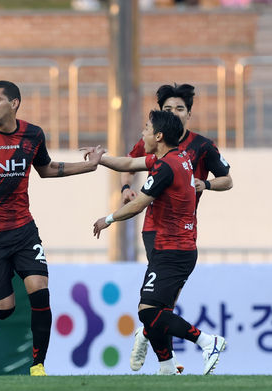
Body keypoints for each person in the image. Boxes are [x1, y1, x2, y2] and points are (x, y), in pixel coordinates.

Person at [0, 81, 105, 376]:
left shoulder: (33, 134)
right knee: (6, 309)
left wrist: (88, 166)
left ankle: (38, 365)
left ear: (14, 104)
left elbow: (46, 168)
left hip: (24, 230)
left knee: (40, 291)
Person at [93, 110, 227, 375]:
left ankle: (206, 341)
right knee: (156, 311)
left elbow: (139, 204)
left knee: (148, 312)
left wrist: (107, 218)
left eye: (146, 128)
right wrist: (102, 159)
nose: (142, 133)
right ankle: (166, 366)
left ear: (159, 135)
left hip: (172, 249)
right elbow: (129, 165)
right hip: (180, 248)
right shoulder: (179, 158)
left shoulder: (166, 166)